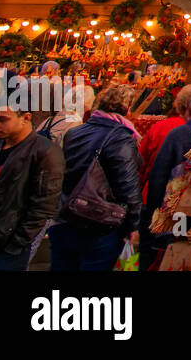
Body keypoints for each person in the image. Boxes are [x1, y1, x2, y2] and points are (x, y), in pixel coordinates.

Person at [48, 84, 143, 271]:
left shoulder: (74, 133)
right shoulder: (121, 137)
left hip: (66, 215)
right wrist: (133, 225)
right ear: (128, 108)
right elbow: (127, 185)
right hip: (98, 223)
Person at [0, 93, 65, 271]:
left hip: (7, 249)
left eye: (2, 120)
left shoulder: (45, 152)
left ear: (26, 118)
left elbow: (43, 206)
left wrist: (17, 244)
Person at [141, 82, 191, 269]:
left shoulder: (180, 134)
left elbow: (158, 180)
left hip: (178, 217)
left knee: (174, 259)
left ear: (186, 107)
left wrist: (153, 218)